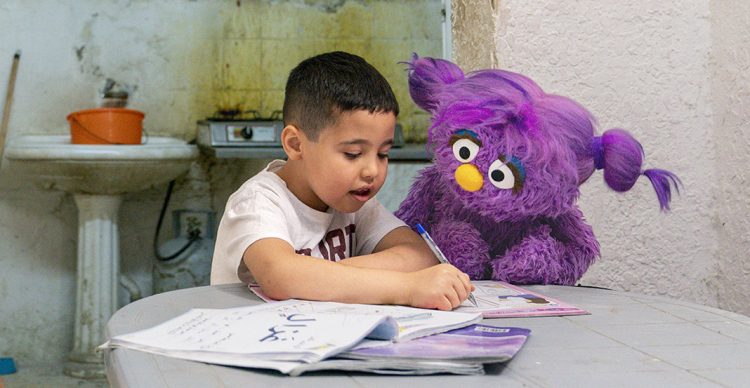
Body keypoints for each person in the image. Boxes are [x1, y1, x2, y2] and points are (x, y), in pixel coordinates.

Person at [210, 51, 474, 311]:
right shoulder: (257, 203)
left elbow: (418, 255)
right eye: (353, 154)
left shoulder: (354, 203)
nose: (372, 170)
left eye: (383, 153)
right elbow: (280, 276)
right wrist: (407, 288)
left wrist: (316, 277)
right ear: (295, 144)